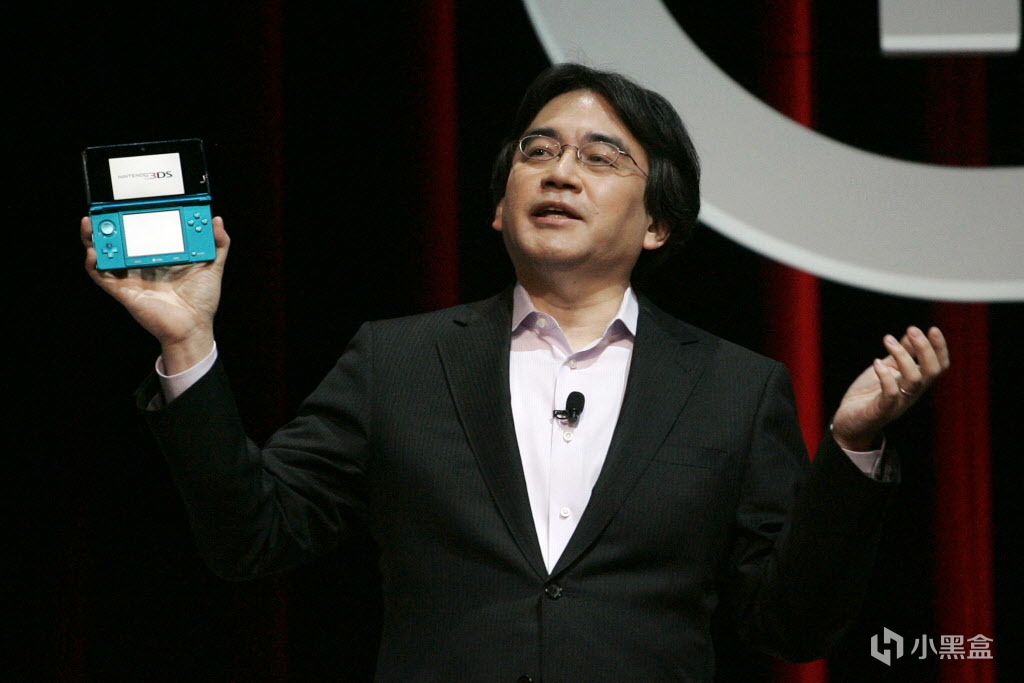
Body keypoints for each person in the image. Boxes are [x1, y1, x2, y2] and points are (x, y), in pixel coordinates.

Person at [82, 63, 949, 681]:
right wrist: (188, 346)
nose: (560, 171)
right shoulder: (397, 360)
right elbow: (252, 538)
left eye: (600, 157)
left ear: (658, 224)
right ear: (499, 208)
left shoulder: (735, 388)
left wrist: (851, 449)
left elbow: (791, 624)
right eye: (538, 151)